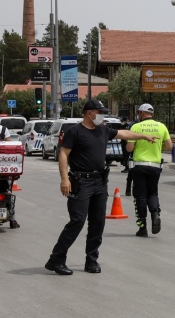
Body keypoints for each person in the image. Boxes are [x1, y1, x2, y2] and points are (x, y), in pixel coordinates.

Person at [44, 99, 159, 275]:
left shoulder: (103, 130)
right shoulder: (74, 132)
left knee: (98, 223)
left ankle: (91, 260)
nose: (102, 116)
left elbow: (124, 134)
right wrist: (64, 179)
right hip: (81, 182)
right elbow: (63, 154)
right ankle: (56, 259)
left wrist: (143, 136)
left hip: (100, 182)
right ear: (89, 113)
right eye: (100, 112)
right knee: (77, 221)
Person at [126, 103, 172, 237]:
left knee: (140, 196)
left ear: (141, 113)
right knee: (152, 193)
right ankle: (155, 213)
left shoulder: (136, 126)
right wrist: (157, 147)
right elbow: (169, 147)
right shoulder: (162, 126)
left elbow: (129, 148)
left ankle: (142, 228)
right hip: (155, 166)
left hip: (139, 166)